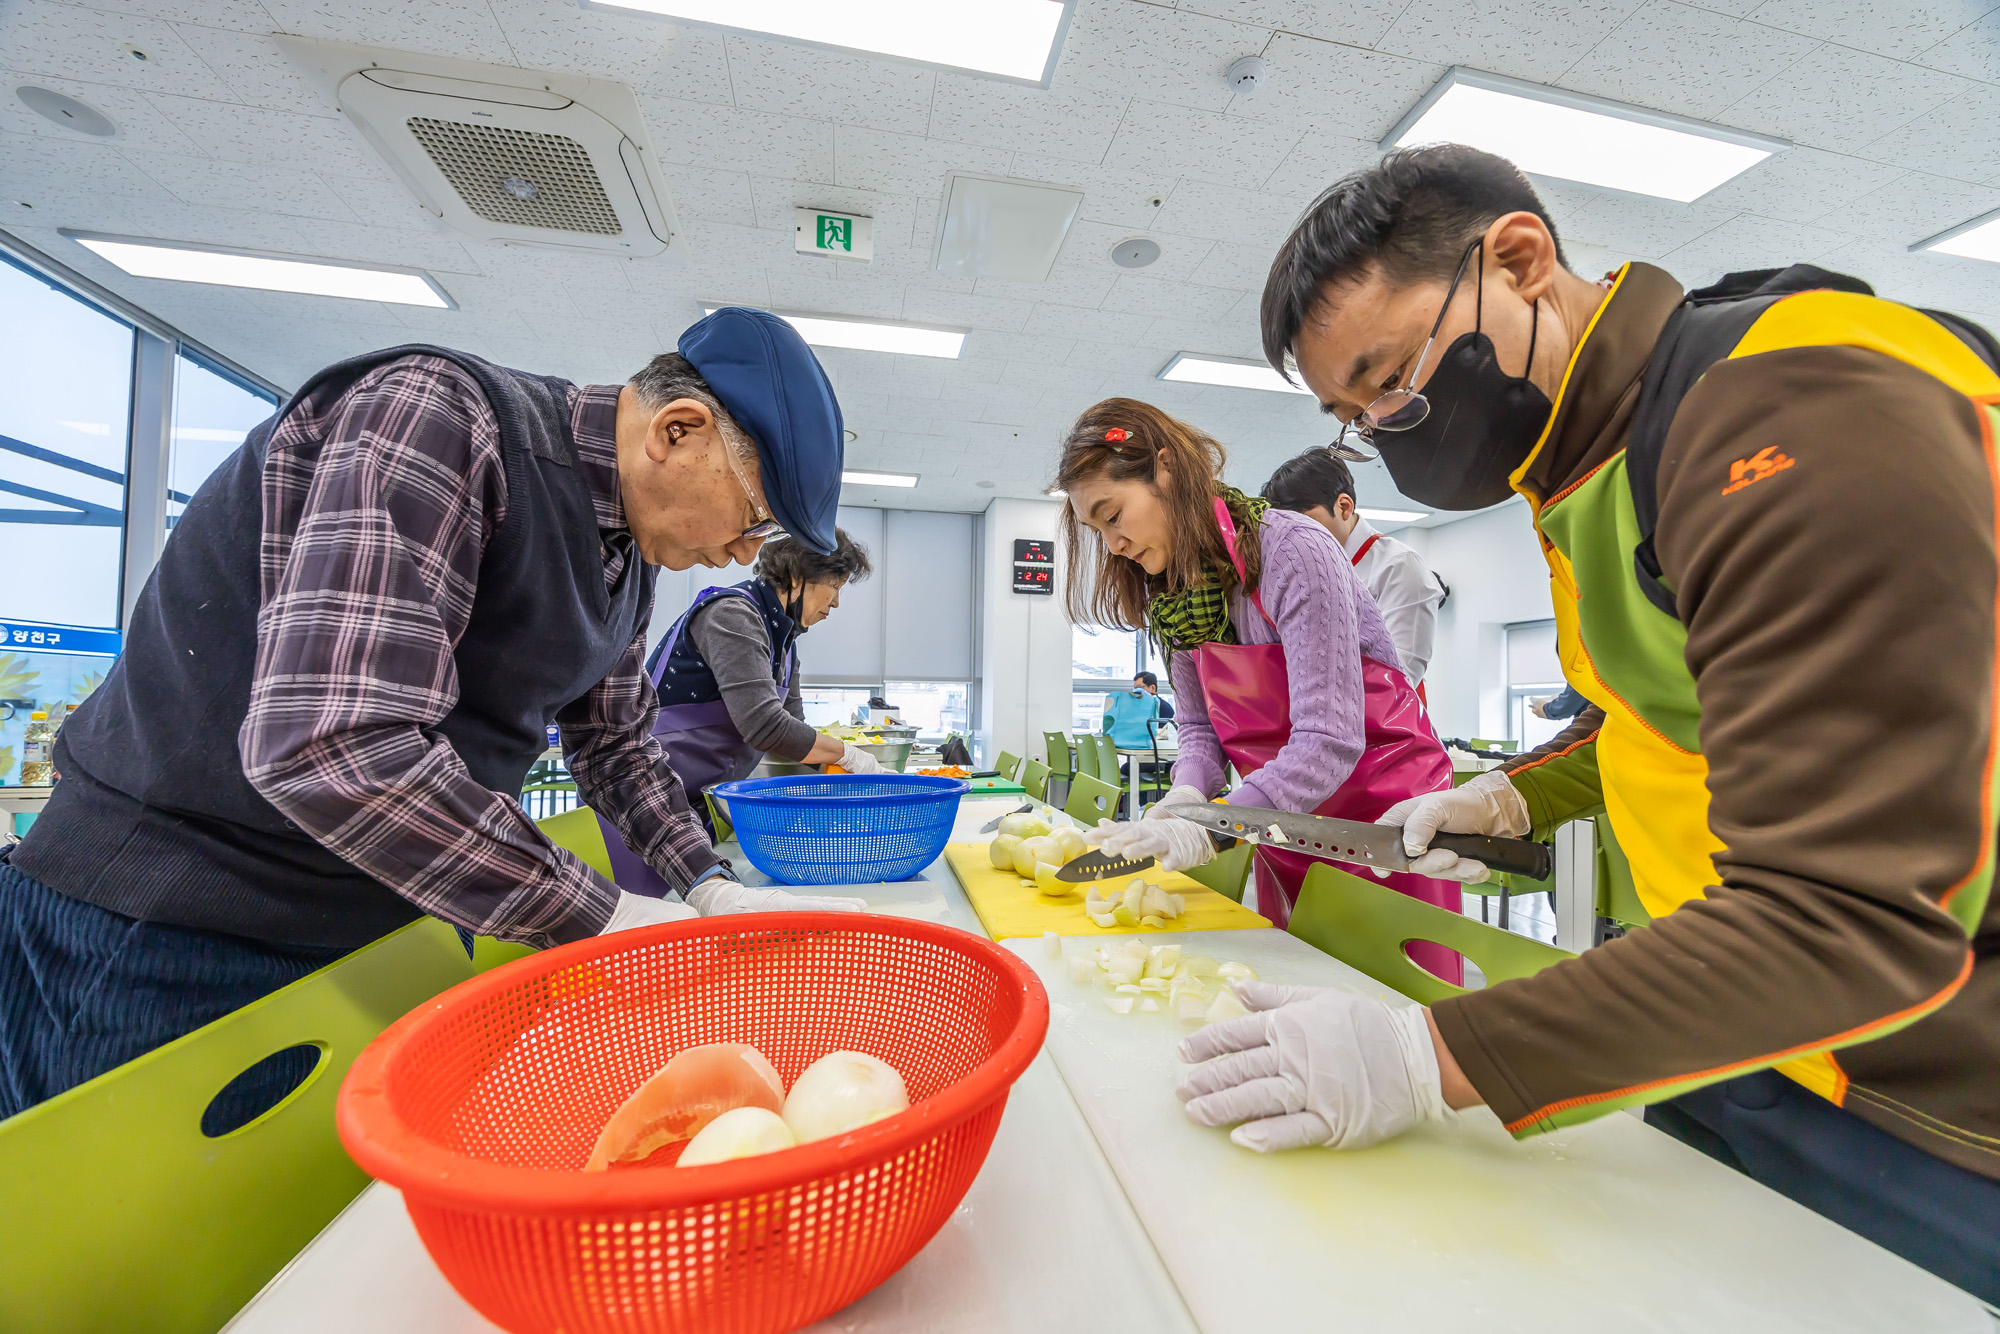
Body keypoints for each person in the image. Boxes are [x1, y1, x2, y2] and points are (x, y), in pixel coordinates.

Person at [1174, 144, 2000, 1303]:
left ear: (1517, 261)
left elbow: (1846, 912)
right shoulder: (1590, 467)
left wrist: (1430, 1054)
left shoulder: (1788, 408)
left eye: (1391, 378)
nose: (1390, 427)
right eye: (1357, 415)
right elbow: (1656, 714)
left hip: (1920, 1089)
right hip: (1727, 1029)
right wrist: (1511, 794)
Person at [0, 309, 869, 1119]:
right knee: (142, 1223)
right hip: (168, 926)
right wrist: (607, 916)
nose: (744, 552)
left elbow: (616, 743)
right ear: (676, 431)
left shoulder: (627, 552)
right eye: (754, 517)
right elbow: (332, 745)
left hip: (371, 922)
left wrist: (706, 883)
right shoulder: (441, 421)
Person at [1057, 399, 1463, 981]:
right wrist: (1183, 799)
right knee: (1292, 996)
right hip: (1282, 825)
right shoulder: (1173, 594)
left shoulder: (1293, 549)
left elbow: (1329, 739)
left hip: (1382, 828)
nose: (1113, 544)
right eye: (1097, 532)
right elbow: (1199, 730)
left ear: (1165, 469)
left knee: (1395, 1012)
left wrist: (1214, 824)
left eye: (1113, 515)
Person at [624, 529, 876, 853]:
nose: (836, 603)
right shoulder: (732, 615)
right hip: (642, 800)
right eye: (835, 586)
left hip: (696, 807)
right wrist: (848, 754)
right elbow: (766, 726)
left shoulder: (785, 646)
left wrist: (856, 778)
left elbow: (794, 735)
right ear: (797, 576)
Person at [1261, 448, 1446, 688]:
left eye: (1304, 524)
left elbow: (1400, 680)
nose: (1295, 538)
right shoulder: (1296, 569)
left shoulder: (1399, 566)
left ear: (1344, 507)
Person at [1100, 678, 1162, 748]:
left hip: (1144, 747)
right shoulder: (1129, 704)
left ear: (1153, 688)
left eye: (1140, 687)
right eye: (1135, 688)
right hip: (1141, 746)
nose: (1136, 691)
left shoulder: (1161, 706)